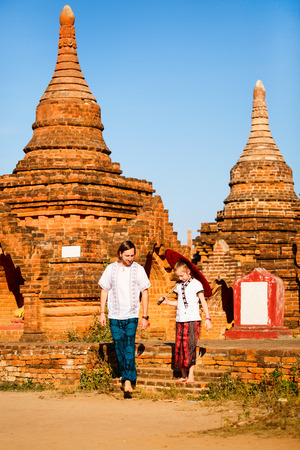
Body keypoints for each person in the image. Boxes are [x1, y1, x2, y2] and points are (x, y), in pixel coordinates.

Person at [98, 241, 150, 394]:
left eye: (132, 255)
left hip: (132, 314)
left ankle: (127, 381)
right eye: (127, 255)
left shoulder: (138, 269)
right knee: (119, 347)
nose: (130, 258)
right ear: (120, 254)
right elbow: (104, 291)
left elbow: (145, 292)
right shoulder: (110, 269)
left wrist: (144, 316)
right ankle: (126, 375)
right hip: (114, 315)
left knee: (128, 346)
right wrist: (102, 312)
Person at [158, 259, 212, 383]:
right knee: (180, 347)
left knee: (190, 347)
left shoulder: (196, 284)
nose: (181, 278)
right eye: (178, 276)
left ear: (188, 272)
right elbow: (180, 303)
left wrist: (208, 318)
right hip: (180, 319)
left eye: (182, 275)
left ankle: (191, 374)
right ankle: (183, 375)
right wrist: (167, 302)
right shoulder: (179, 286)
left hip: (193, 319)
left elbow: (203, 302)